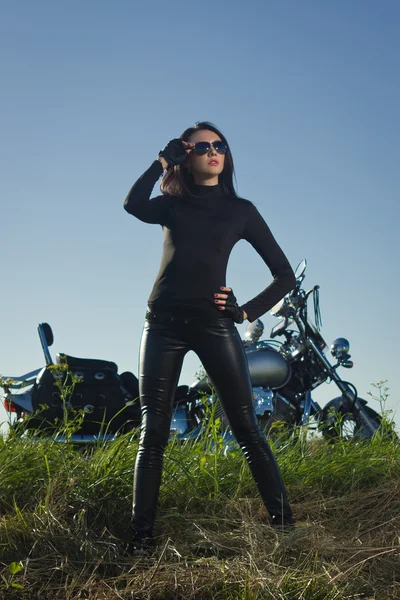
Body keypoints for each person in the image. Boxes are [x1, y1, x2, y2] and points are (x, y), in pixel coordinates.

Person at [123, 121, 297, 555]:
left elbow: (285, 275)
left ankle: (286, 531)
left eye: (219, 145)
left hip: (214, 325)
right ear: (188, 155)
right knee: (153, 433)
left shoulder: (241, 210)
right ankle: (140, 542)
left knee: (247, 430)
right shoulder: (171, 205)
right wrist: (160, 163)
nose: (213, 151)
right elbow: (132, 204)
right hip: (161, 323)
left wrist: (244, 312)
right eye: (202, 146)